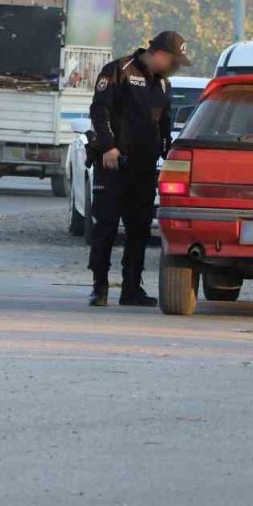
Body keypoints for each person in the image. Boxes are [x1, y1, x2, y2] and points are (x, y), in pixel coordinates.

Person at [86, 31, 190, 307]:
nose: (175, 67)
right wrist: (108, 146)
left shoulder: (164, 85)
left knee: (139, 229)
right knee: (106, 226)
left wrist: (169, 154)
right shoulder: (118, 71)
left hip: (144, 168)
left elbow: (164, 124)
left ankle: (132, 288)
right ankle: (100, 286)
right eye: (174, 61)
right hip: (113, 164)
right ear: (161, 54)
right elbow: (99, 110)